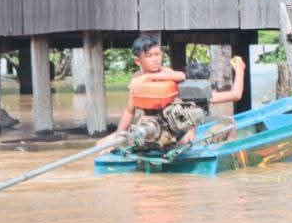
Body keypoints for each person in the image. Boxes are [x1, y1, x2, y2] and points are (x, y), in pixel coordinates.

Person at [98, 35, 245, 151]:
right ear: (138, 61)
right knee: (102, 143)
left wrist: (148, 76)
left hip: (179, 139)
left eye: (158, 54)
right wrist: (118, 136)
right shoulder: (137, 81)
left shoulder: (170, 77)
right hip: (153, 135)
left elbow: (180, 76)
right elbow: (129, 112)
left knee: (226, 123)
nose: (156, 59)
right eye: (150, 56)